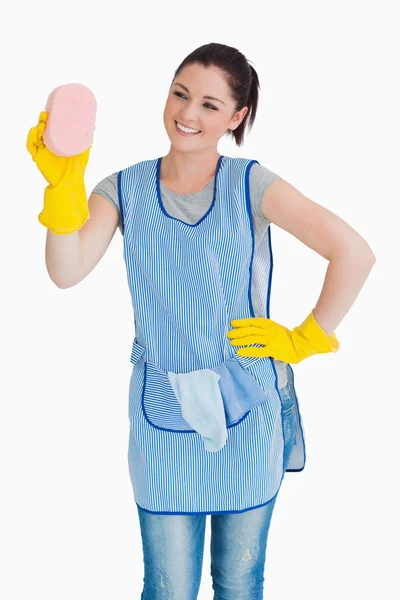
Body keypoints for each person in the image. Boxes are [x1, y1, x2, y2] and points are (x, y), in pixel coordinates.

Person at [27, 42, 376, 599]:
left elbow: (353, 252)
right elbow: (66, 270)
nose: (188, 114)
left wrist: (305, 338)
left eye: (210, 105)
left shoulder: (251, 184)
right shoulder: (122, 189)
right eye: (180, 94)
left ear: (237, 117)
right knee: (167, 588)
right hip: (161, 414)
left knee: (239, 582)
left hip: (246, 413)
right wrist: (64, 182)